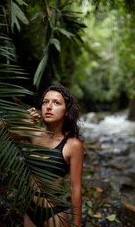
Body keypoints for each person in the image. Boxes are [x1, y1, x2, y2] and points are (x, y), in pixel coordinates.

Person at [10, 84, 83, 227]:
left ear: (67, 111)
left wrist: (77, 224)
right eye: (45, 102)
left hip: (54, 214)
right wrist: (21, 119)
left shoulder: (73, 145)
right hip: (30, 211)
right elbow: (1, 134)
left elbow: (75, 189)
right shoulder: (32, 133)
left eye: (56, 103)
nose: (49, 107)